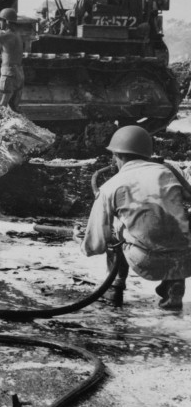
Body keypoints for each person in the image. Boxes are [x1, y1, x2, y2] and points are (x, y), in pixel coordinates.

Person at [82, 125, 191, 310]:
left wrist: (83, 241)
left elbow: (95, 243)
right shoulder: (169, 172)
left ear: (117, 155)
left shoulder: (110, 186)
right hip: (186, 259)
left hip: (146, 261)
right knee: (175, 222)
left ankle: (115, 285)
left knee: (114, 227)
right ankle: (174, 291)